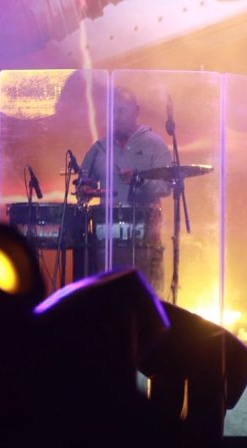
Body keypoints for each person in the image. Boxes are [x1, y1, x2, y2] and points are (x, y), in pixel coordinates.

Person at [78, 86, 173, 295]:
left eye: (121, 110)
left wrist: (139, 181)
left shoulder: (154, 145)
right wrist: (84, 189)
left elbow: (167, 186)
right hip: (106, 239)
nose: (116, 116)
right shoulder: (99, 147)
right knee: (108, 294)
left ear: (136, 111)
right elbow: (82, 185)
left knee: (143, 293)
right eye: (112, 111)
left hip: (144, 236)